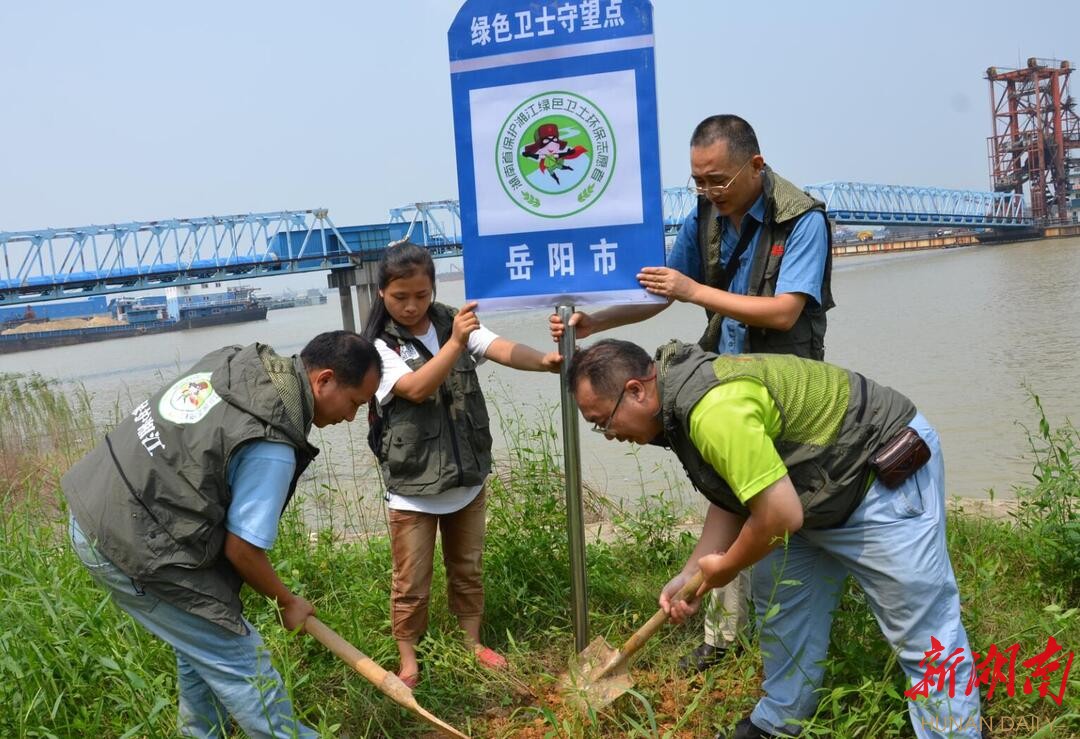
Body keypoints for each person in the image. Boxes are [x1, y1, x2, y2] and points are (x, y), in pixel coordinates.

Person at [568, 338, 981, 739]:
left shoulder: (713, 411)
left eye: (604, 421)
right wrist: (692, 572)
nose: (609, 434)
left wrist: (727, 566)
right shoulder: (677, 405)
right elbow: (734, 492)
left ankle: (953, 733)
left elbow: (780, 515)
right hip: (809, 488)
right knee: (782, 607)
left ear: (636, 390)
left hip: (876, 473)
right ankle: (780, 720)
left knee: (923, 632)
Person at [550, 113, 834, 673]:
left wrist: (694, 289)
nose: (707, 192)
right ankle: (722, 636)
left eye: (718, 181)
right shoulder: (705, 215)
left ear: (756, 165)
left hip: (778, 387)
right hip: (720, 377)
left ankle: (784, 633)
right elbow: (662, 294)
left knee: (769, 503)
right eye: (698, 181)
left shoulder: (802, 220)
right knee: (728, 495)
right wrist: (596, 321)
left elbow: (785, 310)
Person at [63, 331, 382, 738]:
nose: (352, 417)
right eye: (354, 402)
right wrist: (287, 602)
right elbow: (243, 550)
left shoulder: (238, 362)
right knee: (245, 665)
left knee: (201, 644)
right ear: (323, 380)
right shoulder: (271, 444)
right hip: (130, 541)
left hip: (98, 502)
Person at [363, 242, 561, 688]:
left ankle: (471, 643)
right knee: (411, 581)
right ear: (381, 294)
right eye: (401, 297)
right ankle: (409, 657)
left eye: (422, 294)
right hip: (413, 488)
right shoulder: (376, 346)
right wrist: (455, 343)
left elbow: (498, 347)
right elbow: (415, 388)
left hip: (466, 479)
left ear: (433, 289)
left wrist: (545, 363)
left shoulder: (450, 321)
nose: (413, 305)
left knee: (467, 568)